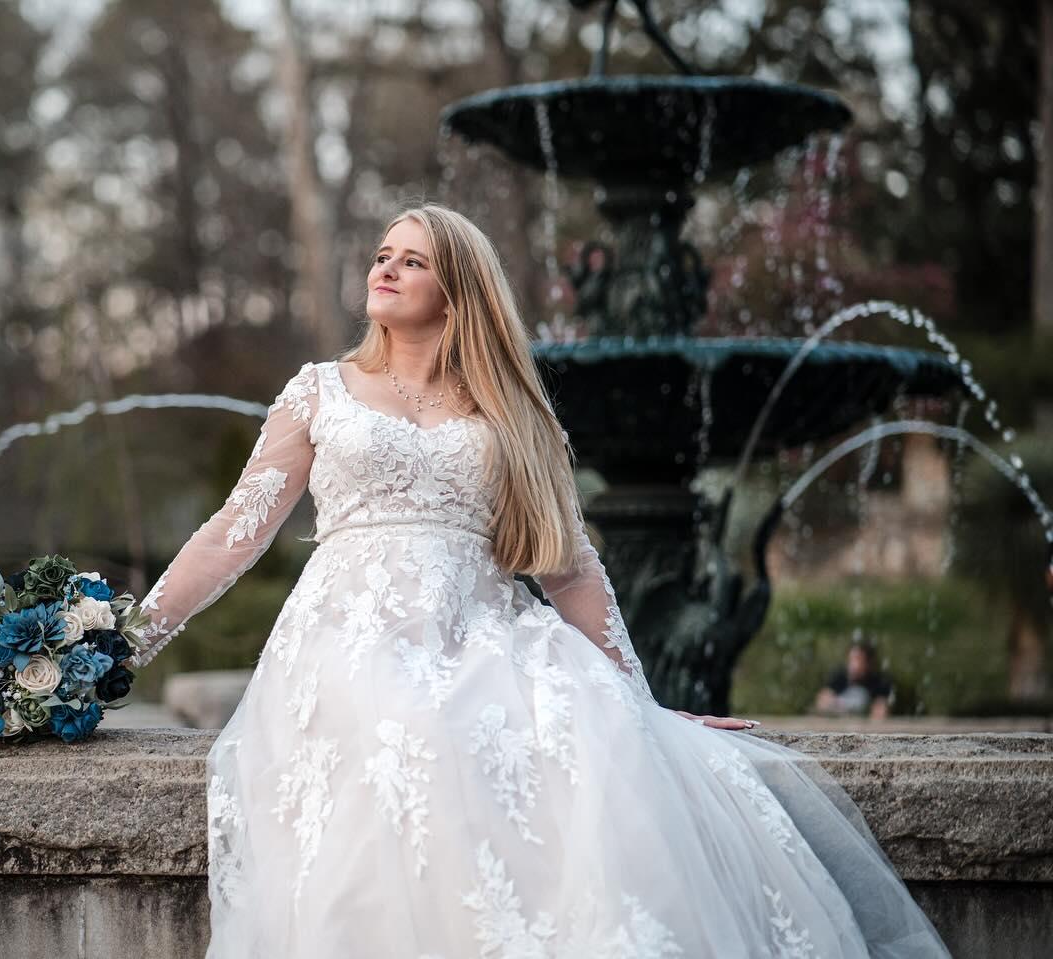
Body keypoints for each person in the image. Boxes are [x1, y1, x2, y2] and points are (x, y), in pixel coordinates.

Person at [128, 203, 950, 957]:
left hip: (487, 632)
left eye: (413, 261)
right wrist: (124, 643)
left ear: (457, 291)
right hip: (348, 637)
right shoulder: (318, 393)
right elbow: (231, 536)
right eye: (383, 255)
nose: (385, 268)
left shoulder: (513, 415)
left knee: (578, 737)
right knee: (408, 725)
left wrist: (639, 697)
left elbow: (571, 568)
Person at [815, 640, 894, 720]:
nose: (853, 665)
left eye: (858, 659)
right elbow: (822, 702)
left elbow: (881, 711)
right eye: (851, 659)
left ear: (868, 663)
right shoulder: (839, 676)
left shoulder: (879, 682)